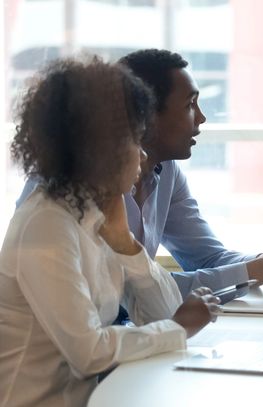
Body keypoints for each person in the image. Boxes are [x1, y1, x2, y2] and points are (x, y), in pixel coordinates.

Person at [16, 49, 263, 298]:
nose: (202, 118)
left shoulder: (166, 172)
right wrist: (260, 269)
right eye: (189, 105)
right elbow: (123, 292)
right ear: (145, 115)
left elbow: (206, 257)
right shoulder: (70, 185)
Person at [0, 58, 220, 407]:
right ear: (101, 149)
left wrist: (127, 246)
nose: (143, 155)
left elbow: (165, 313)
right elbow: (89, 353)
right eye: (135, 140)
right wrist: (178, 329)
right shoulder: (46, 227)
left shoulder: (93, 214)